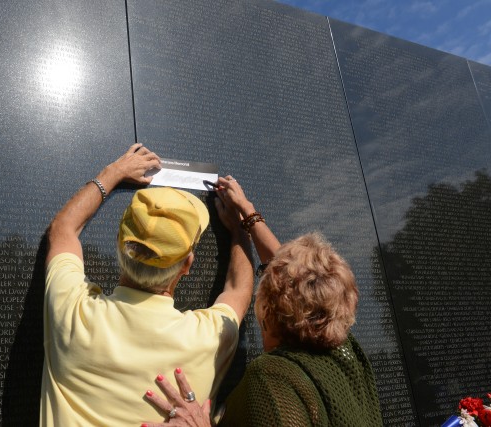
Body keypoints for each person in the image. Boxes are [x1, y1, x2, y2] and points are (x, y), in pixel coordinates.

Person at [142, 176, 384, 427]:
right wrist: (247, 214)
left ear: (266, 311)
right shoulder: (346, 351)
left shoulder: (271, 379)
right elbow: (296, 278)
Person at [40, 144, 254, 426]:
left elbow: (63, 229)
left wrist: (114, 172)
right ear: (187, 264)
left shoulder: (72, 312)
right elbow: (239, 290)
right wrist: (240, 230)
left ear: (119, 243)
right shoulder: (209, 338)